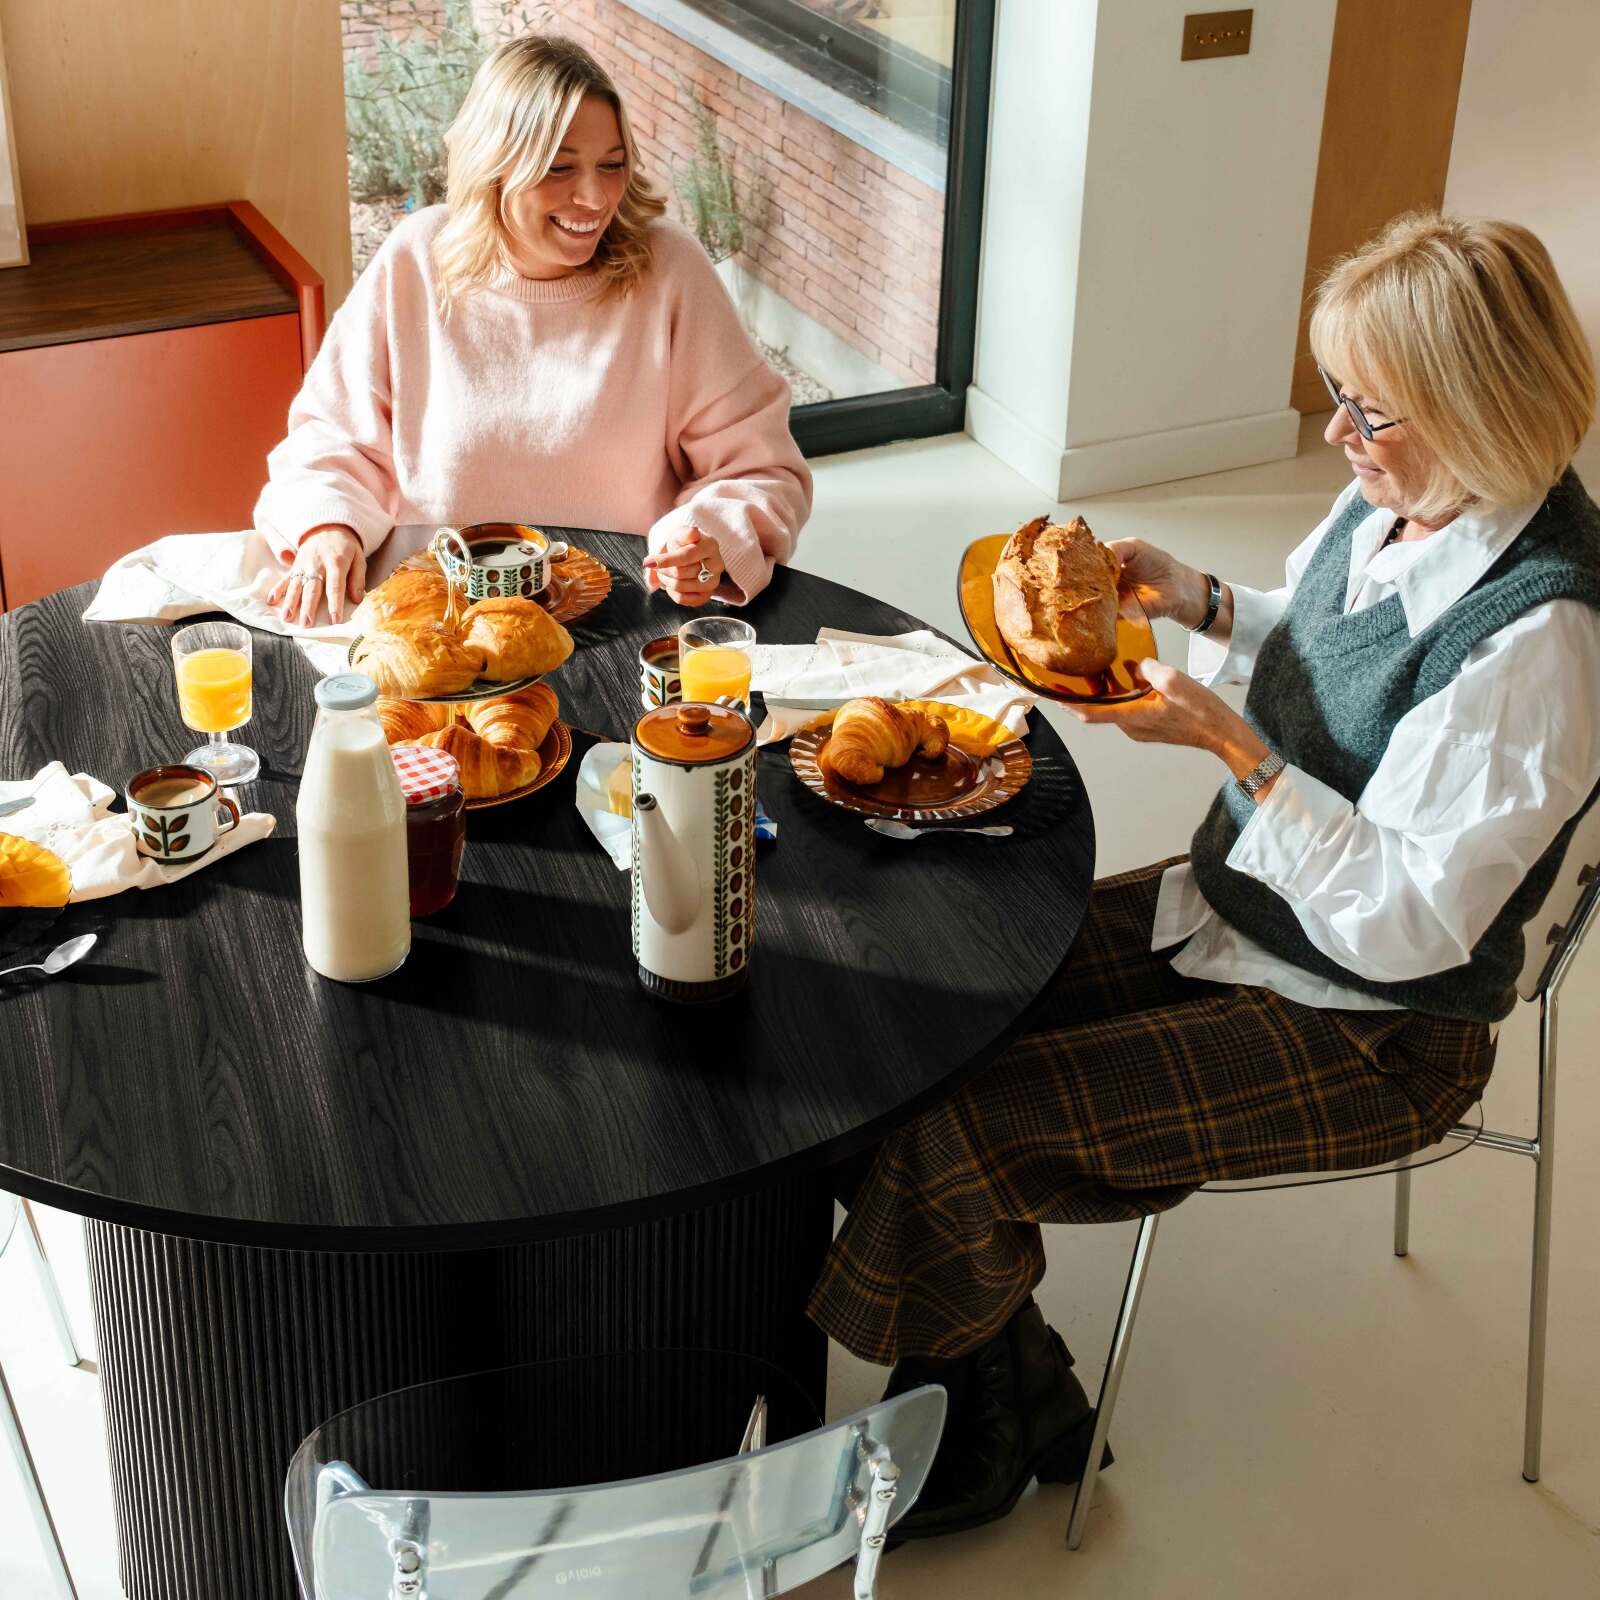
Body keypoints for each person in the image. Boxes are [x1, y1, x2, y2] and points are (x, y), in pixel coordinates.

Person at [809, 211, 1600, 1539]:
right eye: (1339, 401)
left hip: (1372, 1028)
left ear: (1474, 413)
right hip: (1248, 906)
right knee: (916, 1014)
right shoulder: (1403, 488)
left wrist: (1238, 753)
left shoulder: (1544, 645)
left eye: (1372, 414)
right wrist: (1206, 601)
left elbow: (1411, 923)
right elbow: (1340, 651)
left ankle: (981, 1427)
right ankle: (1020, 1372)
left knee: (962, 1122)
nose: (1341, 439)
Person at [257, 35, 811, 626]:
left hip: (623, 626)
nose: (594, 197)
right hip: (439, 627)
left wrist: (706, 539)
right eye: (559, 167)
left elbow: (759, 467)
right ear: (495, 166)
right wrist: (328, 525)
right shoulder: (418, 259)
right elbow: (329, 437)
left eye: (612, 164)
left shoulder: (669, 271)